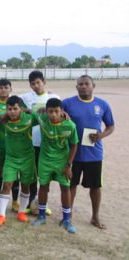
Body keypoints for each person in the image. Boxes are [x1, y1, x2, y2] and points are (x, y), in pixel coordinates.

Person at [63, 75, 115, 229]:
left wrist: (101, 135)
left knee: (95, 187)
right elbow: (53, 115)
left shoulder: (102, 104)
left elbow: (111, 125)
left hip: (94, 154)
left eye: (86, 84)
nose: (83, 86)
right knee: (71, 185)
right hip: (73, 154)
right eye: (80, 84)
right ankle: (68, 216)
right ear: (76, 87)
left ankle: (95, 216)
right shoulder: (67, 103)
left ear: (94, 86)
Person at [32, 98, 79, 233]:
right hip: (45, 160)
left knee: (65, 188)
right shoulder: (42, 118)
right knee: (43, 187)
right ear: (46, 111)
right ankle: (41, 216)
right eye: (50, 111)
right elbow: (27, 111)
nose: (53, 114)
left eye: (56, 111)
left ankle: (66, 220)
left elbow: (74, 144)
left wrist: (68, 165)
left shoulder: (70, 125)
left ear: (62, 111)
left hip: (62, 162)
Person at [0, 96, 38, 227]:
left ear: (21, 109)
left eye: (15, 109)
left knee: (25, 185)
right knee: (7, 184)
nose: (12, 111)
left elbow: (45, 118)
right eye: (9, 109)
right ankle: (1, 215)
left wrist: (30, 111)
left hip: (27, 158)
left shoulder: (30, 118)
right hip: (11, 159)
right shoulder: (4, 119)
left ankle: (21, 212)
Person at [20, 70, 59, 215]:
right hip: (32, 142)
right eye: (33, 84)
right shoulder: (26, 97)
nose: (36, 86)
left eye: (38, 82)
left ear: (44, 82)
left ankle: (43, 203)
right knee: (32, 175)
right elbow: (9, 100)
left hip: (47, 144)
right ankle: (31, 202)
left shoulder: (53, 97)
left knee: (44, 176)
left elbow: (60, 113)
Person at [0, 79, 20, 212]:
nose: (3, 90)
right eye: (0, 87)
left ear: (10, 89)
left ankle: (16, 201)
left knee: (14, 173)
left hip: (13, 144)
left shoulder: (16, 103)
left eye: (6, 87)